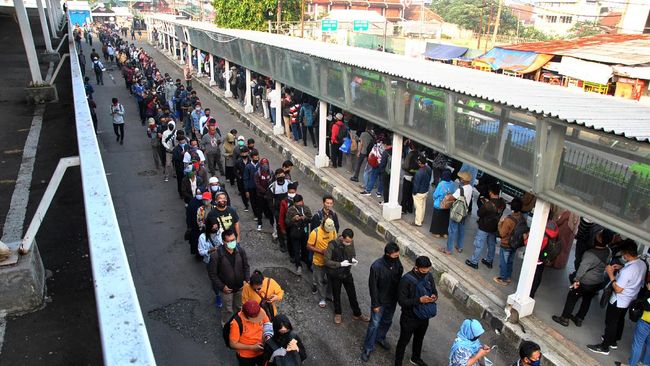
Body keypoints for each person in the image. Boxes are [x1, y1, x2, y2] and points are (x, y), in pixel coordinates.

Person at [588, 240, 646, 355]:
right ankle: (613, 341)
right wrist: (621, 267)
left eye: (623, 253)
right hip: (630, 299)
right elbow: (634, 276)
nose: (622, 255)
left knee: (610, 322)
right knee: (619, 320)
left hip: (618, 300)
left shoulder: (628, 271)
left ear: (627, 253)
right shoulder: (642, 264)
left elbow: (618, 289)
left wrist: (610, 274)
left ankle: (604, 347)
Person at [552, 232, 609, 327]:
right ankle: (579, 319)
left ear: (600, 240)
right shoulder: (608, 251)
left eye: (598, 235)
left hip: (585, 281)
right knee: (587, 300)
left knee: (572, 297)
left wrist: (576, 279)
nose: (595, 235)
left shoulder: (590, 254)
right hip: (597, 281)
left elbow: (582, 268)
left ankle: (564, 318)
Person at [361, 242, 403, 362]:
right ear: (387, 254)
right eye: (394, 256)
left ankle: (380, 337)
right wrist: (375, 304)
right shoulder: (376, 266)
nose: (396, 258)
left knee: (387, 321)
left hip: (392, 300)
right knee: (374, 324)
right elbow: (373, 287)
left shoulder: (397, 263)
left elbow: (399, 280)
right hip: (380, 302)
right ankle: (368, 347)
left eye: (397, 256)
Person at [395, 256, 438, 366]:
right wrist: (419, 300)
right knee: (403, 341)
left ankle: (415, 358)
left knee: (419, 338)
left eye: (428, 270)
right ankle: (398, 362)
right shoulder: (406, 280)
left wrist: (434, 296)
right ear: (416, 268)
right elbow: (402, 301)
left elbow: (434, 291)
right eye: (423, 271)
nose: (426, 273)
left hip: (424, 316)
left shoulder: (429, 276)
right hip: (409, 317)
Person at [324, 228, 369, 324]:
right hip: (336, 274)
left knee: (352, 294)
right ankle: (338, 313)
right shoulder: (332, 244)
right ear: (342, 238)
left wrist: (353, 260)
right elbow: (326, 261)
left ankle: (357, 313)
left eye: (350, 241)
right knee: (336, 294)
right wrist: (340, 264)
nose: (349, 243)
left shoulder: (350, 242)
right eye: (347, 241)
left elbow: (353, 254)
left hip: (347, 273)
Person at [208, 229, 250, 325]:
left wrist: (246, 280)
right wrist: (222, 287)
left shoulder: (241, 251)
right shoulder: (216, 255)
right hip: (226, 290)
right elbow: (212, 274)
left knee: (240, 306)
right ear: (223, 241)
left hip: (240, 287)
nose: (232, 242)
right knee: (227, 310)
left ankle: (240, 323)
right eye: (229, 241)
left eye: (233, 240)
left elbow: (246, 266)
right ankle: (226, 326)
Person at [466, 184, 506, 269]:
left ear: (491, 192)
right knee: (491, 245)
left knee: (479, 244)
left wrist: (486, 203)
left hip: (484, 227)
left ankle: (474, 262)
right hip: (494, 227)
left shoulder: (488, 205)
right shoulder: (503, 203)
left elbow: (479, 213)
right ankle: (489, 261)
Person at [616, 282, 650, 366]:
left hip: (646, 321)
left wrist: (649, 291)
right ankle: (644, 363)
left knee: (637, 345)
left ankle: (632, 364)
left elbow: (647, 306)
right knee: (649, 345)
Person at [307, 217, 337, 308]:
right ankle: (322, 298)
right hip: (318, 261)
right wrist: (320, 251)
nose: (328, 232)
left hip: (330, 261)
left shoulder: (333, 230)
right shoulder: (315, 233)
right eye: (327, 230)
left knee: (331, 279)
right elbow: (308, 246)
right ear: (323, 224)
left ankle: (328, 294)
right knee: (319, 280)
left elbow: (335, 241)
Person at [494, 197, 525, 287]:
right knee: (510, 261)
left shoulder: (508, 220)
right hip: (515, 244)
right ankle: (508, 277)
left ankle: (503, 279)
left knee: (503, 261)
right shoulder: (522, 218)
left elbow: (502, 234)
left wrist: (500, 223)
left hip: (506, 244)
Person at [228, 300, 269, 366]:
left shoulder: (259, 310)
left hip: (262, 351)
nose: (258, 319)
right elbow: (233, 344)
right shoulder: (236, 323)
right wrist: (252, 347)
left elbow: (268, 325)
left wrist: (266, 339)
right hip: (246, 356)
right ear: (246, 316)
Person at [441, 171, 472, 255]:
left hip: (457, 212)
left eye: (461, 178)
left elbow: (452, 197)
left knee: (452, 230)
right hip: (464, 212)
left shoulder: (461, 189)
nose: (460, 179)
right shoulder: (470, 188)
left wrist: (447, 196)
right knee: (461, 229)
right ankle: (459, 246)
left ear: (463, 180)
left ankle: (448, 249)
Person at [285, 193, 312, 274]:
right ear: (294, 203)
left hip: (305, 232)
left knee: (305, 248)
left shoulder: (306, 208)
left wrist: (305, 218)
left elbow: (311, 218)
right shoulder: (290, 210)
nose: (299, 204)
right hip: (295, 233)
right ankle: (298, 265)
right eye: (297, 203)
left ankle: (306, 262)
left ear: (302, 201)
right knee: (296, 250)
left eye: (300, 202)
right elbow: (287, 223)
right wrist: (293, 219)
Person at [429, 170, 456, 238]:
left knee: (437, 219)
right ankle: (444, 233)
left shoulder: (441, 183)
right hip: (448, 205)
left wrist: (434, 198)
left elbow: (436, 194)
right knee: (445, 219)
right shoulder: (452, 184)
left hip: (439, 204)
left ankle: (436, 233)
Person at [412, 156, 432, 227]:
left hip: (419, 192)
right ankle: (421, 219)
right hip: (425, 190)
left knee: (418, 207)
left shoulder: (419, 173)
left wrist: (414, 192)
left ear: (420, 163)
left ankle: (418, 222)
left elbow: (416, 184)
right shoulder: (429, 168)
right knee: (423, 206)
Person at [401, 141, 420, 214]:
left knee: (405, 193)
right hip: (415, 176)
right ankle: (410, 208)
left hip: (408, 175)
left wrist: (402, 165)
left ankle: (403, 208)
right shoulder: (420, 154)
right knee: (411, 194)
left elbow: (405, 166)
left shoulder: (410, 154)